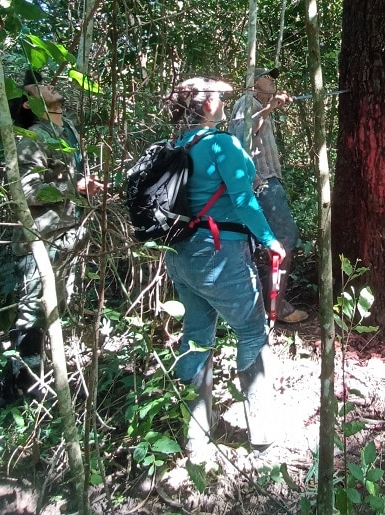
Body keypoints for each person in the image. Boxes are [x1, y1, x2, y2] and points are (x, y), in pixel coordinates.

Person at [164, 77, 286, 458]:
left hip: (180, 254)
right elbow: (245, 200)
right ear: (204, 106)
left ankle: (196, 436)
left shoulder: (177, 144)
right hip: (220, 253)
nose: (221, 100)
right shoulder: (222, 143)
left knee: (197, 334)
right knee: (251, 330)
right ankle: (264, 436)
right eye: (216, 96)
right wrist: (270, 240)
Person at [5, 70, 104, 400]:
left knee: (55, 307)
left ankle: (45, 377)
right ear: (29, 101)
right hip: (42, 237)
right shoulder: (32, 137)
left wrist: (87, 189)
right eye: (36, 83)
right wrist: (71, 187)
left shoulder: (69, 129)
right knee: (32, 310)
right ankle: (20, 386)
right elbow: (26, 190)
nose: (48, 82)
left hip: (69, 233)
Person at [228, 67, 308, 324]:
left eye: (275, 77)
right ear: (252, 83)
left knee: (266, 242)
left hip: (267, 180)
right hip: (260, 183)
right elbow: (242, 138)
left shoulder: (257, 105)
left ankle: (263, 303)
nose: (273, 80)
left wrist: (271, 105)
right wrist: (270, 107)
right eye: (267, 77)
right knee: (285, 237)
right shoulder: (246, 102)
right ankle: (275, 305)